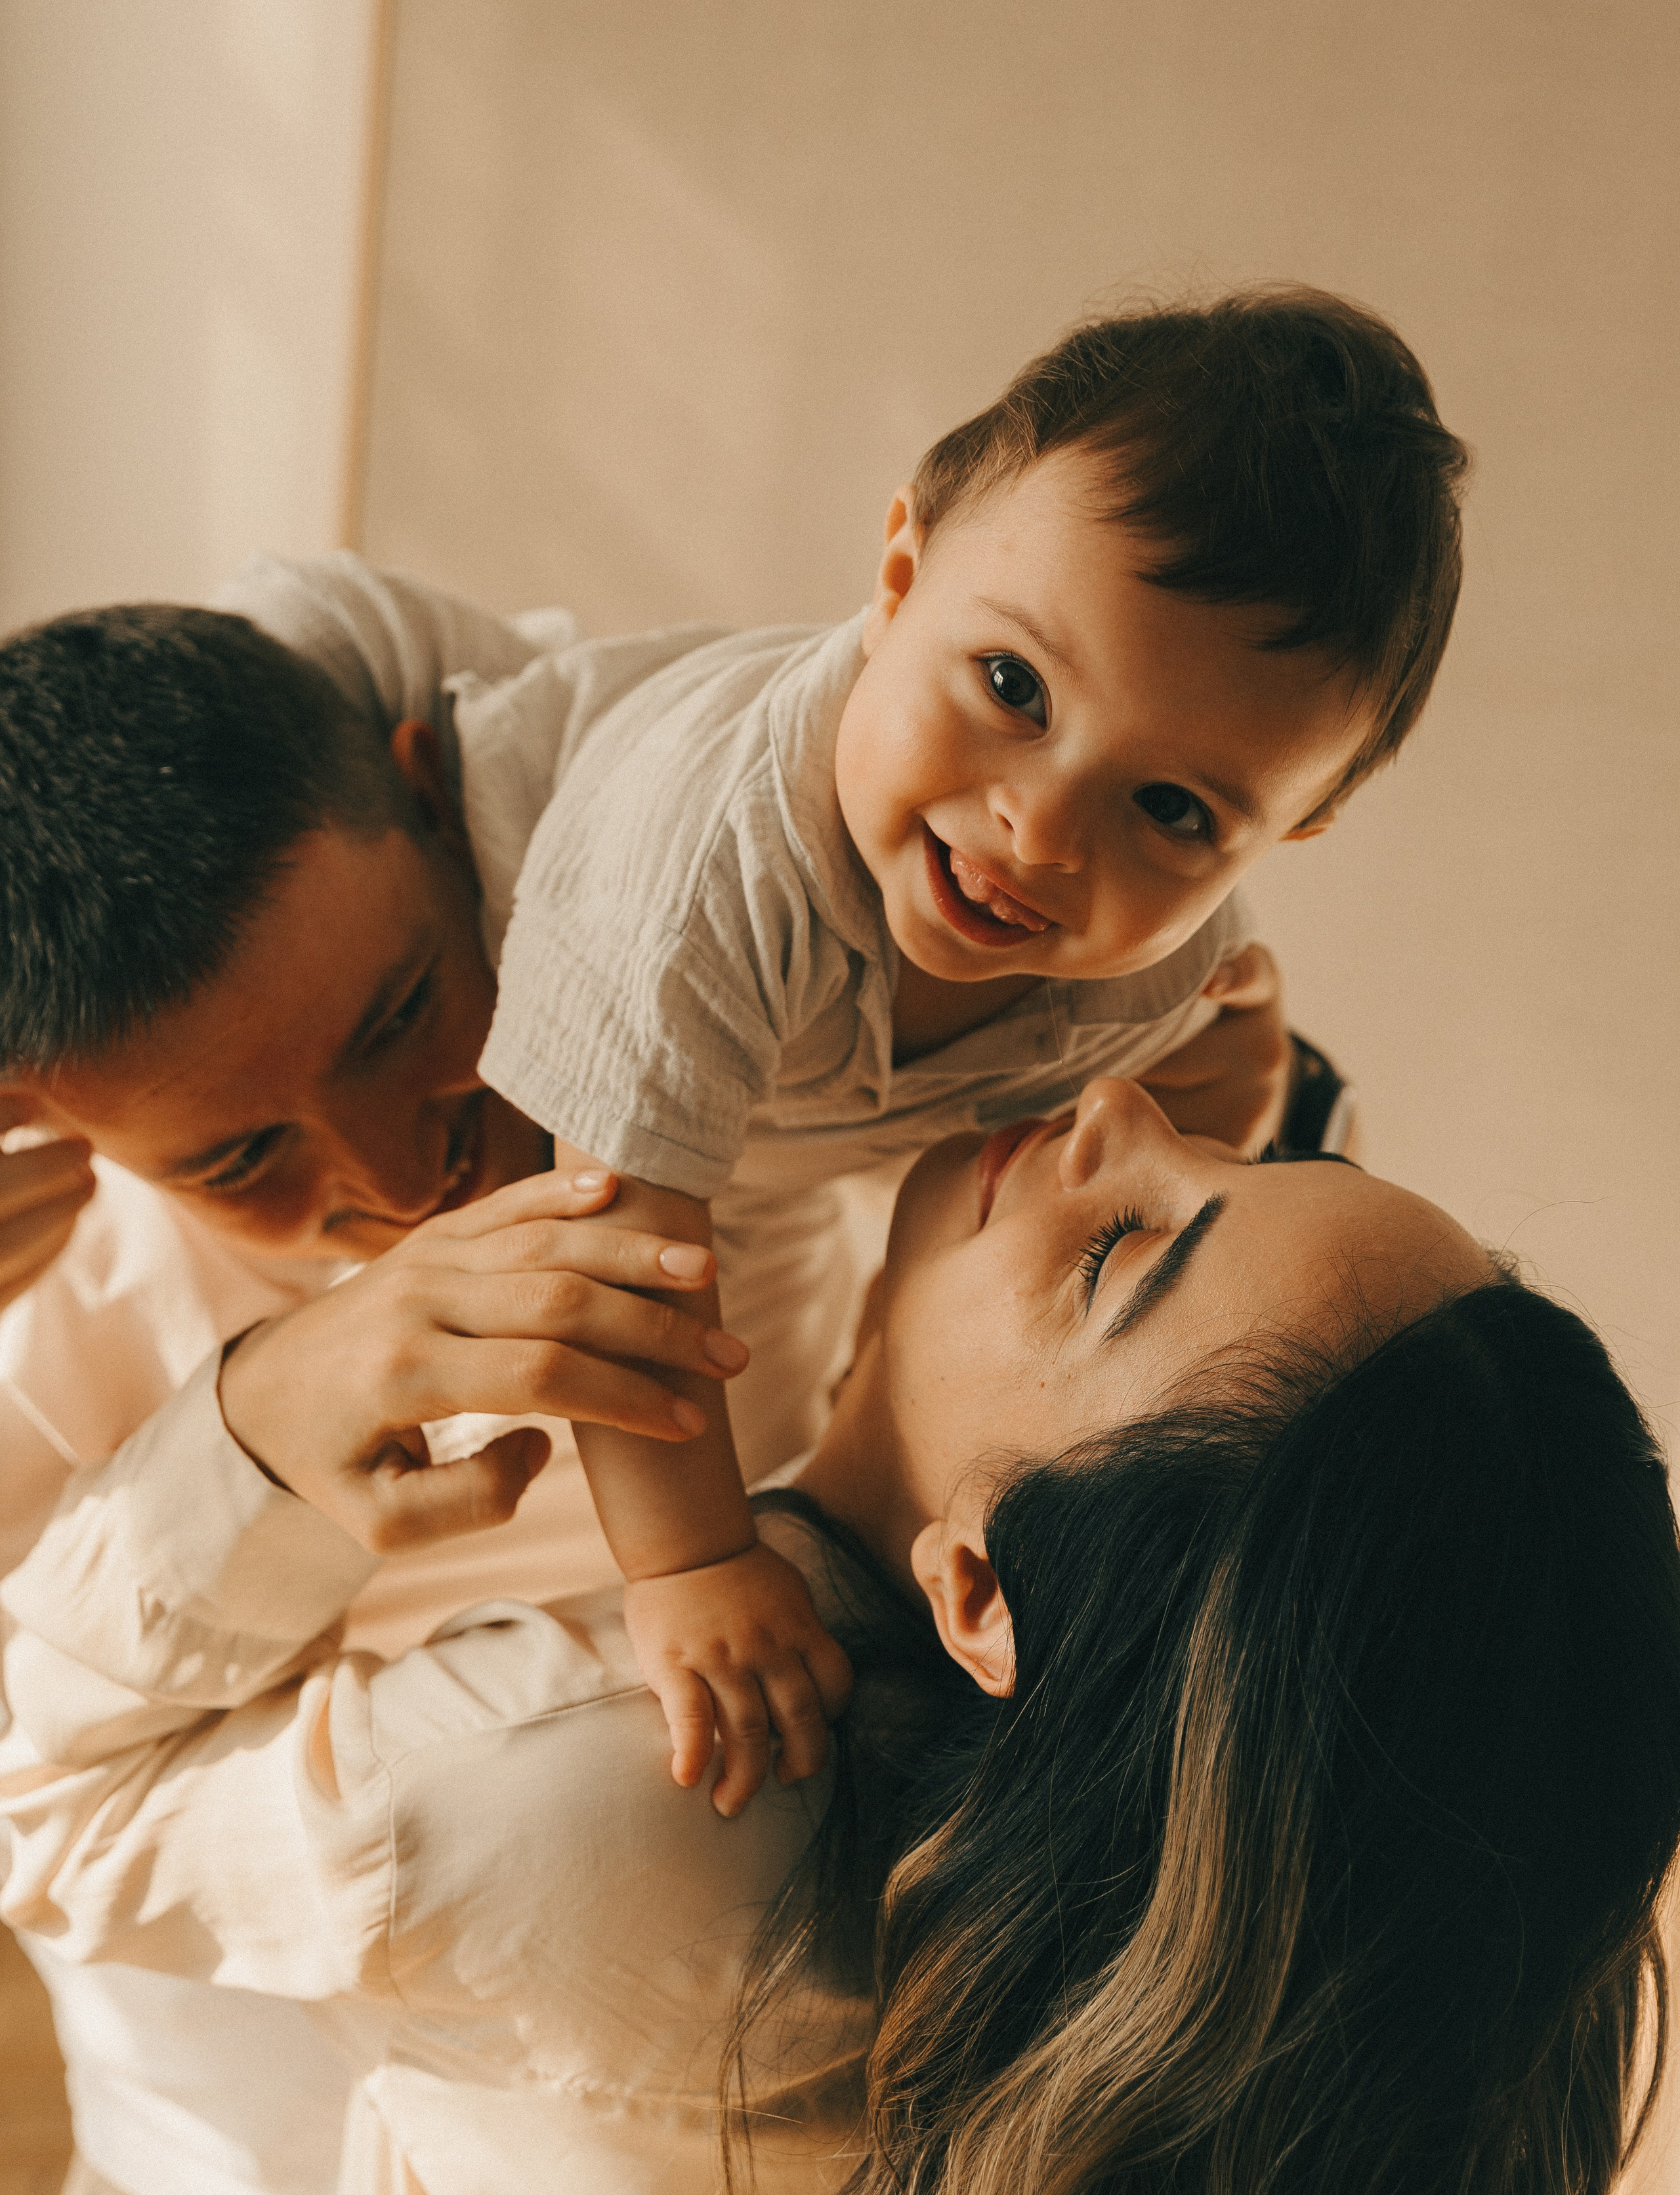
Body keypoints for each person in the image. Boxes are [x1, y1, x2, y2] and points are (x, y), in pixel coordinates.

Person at [0, 553, 1293, 2194]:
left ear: (445, 809)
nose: (397, 1172)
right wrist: (254, 1433)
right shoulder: (51, 1320)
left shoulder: (691, 1018)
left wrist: (1201, 1080)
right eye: (240, 1156)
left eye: (401, 1016)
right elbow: (41, 1780)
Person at [3, 1078, 1675, 2195]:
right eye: (1271, 1157)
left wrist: (264, 1419)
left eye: (1118, 1251)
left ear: (978, 1597)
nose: (1119, 1108)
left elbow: (41, 1811)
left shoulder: (618, 1783)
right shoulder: (1137, 1848)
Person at [471, 285, 1471, 1793]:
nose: (1040, 828)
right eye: (1011, 687)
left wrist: (1229, 1105)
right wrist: (689, 1566)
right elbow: (612, 1242)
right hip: (465, 915)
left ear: (1290, 828)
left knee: (768, 1421)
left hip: (763, 1143)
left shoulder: (1165, 965)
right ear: (898, 576)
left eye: (1172, 809)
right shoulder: (701, 872)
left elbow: (1165, 1123)